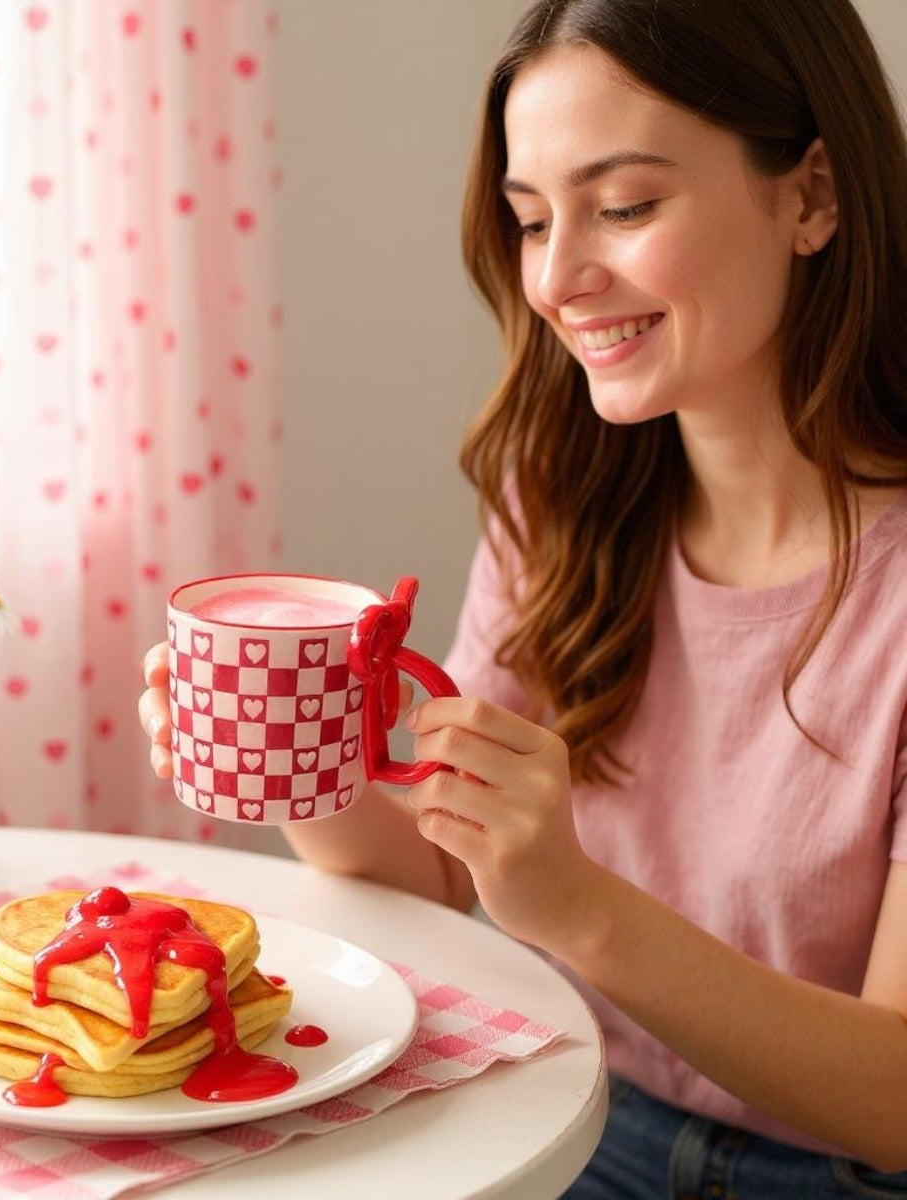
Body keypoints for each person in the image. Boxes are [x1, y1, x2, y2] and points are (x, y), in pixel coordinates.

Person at [139, 0, 907, 1194]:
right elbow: (445, 871)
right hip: (575, 1112)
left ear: (811, 195)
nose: (557, 279)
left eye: (627, 205)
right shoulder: (562, 496)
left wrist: (576, 907)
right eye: (533, 219)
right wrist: (291, 754)